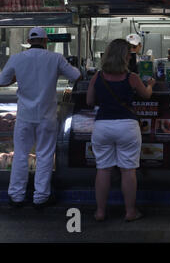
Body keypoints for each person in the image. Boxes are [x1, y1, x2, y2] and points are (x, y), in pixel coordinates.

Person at [0, 27, 81, 208]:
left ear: (29, 41)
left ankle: (16, 196)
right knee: (44, 155)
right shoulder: (55, 58)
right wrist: (54, 72)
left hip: (25, 117)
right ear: (46, 41)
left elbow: (2, 81)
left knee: (20, 154)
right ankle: (41, 197)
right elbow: (77, 76)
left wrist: (17, 78)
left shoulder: (17, 58)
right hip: (47, 116)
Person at [86, 39, 155, 222]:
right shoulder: (131, 77)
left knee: (103, 170)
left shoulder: (97, 77)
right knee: (128, 170)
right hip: (127, 127)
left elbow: (89, 101)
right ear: (126, 56)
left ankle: (100, 212)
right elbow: (146, 95)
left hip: (102, 127)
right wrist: (151, 84)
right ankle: (130, 212)